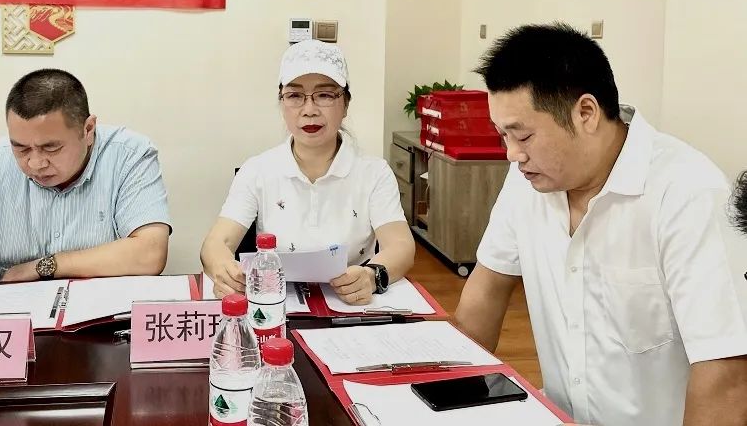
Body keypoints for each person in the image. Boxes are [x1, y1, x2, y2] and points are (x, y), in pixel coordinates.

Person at [454, 23, 747, 426]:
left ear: (586, 113)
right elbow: (486, 289)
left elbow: (725, 373)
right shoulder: (528, 182)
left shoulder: (687, 193)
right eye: (502, 135)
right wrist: (447, 396)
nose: (511, 154)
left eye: (523, 136)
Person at [200, 40, 415, 306]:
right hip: (275, 306)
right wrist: (224, 271)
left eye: (325, 95)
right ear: (282, 103)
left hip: (350, 307)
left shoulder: (374, 173)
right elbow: (215, 243)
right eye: (295, 96)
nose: (309, 110)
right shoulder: (257, 170)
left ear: (346, 104)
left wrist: (372, 275)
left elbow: (401, 245)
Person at [0, 69, 172, 301]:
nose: (36, 163)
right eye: (21, 149)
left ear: (88, 130)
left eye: (51, 148)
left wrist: (45, 266)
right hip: (18, 311)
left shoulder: (130, 154)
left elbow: (150, 252)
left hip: (105, 311)